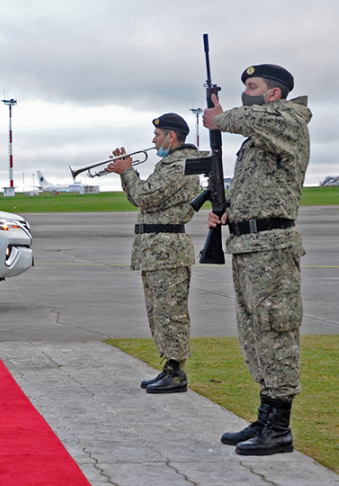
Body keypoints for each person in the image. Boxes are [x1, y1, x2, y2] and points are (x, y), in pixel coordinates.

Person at [203, 64, 311, 456]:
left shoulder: (289, 121)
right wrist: (229, 211)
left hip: (272, 247)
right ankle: (266, 415)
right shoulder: (255, 136)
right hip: (248, 246)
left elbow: (248, 118)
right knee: (254, 334)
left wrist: (220, 117)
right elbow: (260, 188)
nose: (245, 93)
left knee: (275, 330)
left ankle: (280, 427)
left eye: (253, 87)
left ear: (273, 95)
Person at [107, 114, 203, 394]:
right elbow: (140, 198)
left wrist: (127, 171)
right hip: (156, 251)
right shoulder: (169, 164)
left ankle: (177, 373)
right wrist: (126, 174)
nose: (153, 140)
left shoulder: (181, 166)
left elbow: (147, 197)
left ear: (170, 137)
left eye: (157, 134)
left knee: (170, 313)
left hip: (167, 252)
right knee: (159, 313)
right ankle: (171, 367)